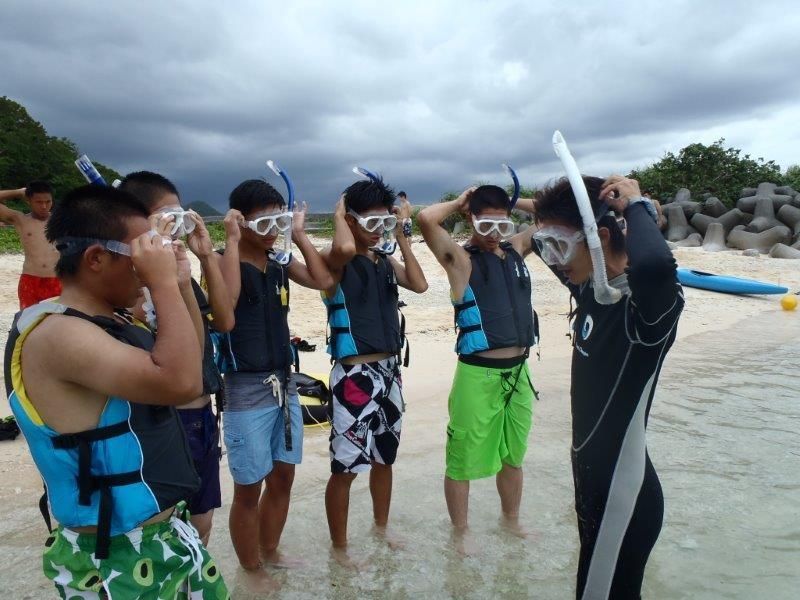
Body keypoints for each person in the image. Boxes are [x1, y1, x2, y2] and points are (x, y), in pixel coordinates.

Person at [3, 184, 228, 598]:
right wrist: (159, 283)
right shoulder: (59, 335)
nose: (147, 266)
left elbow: (192, 361)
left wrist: (178, 285)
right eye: (141, 254)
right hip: (114, 556)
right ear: (96, 259)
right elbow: (181, 384)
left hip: (161, 537)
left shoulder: (114, 321)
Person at [527, 175, 683, 599]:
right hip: (596, 487)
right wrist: (544, 215)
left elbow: (654, 265)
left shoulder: (646, 310)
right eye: (546, 246)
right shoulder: (594, 288)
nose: (552, 259)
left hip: (622, 497)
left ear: (598, 239)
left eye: (558, 246)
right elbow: (553, 244)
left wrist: (636, 205)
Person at [217, 179, 333, 584]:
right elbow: (225, 307)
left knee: (283, 476)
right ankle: (251, 569)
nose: (273, 229)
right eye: (264, 221)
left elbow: (322, 281)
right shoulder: (220, 259)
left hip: (284, 384)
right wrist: (231, 241)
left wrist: (299, 234)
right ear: (240, 221)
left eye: (278, 220)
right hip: (245, 389)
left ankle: (270, 550)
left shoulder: (279, 263)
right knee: (248, 488)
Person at [417, 185, 538, 553]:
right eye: (487, 225)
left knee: (513, 455)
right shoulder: (460, 259)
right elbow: (425, 219)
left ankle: (511, 520)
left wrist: (513, 204)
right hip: (477, 374)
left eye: (503, 226)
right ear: (471, 219)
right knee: (462, 458)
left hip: (519, 373)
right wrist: (458, 202)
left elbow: (552, 216)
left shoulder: (514, 250)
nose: (495, 235)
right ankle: (461, 533)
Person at [119, 171, 234, 546]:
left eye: (179, 217)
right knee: (171, 531)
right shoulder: (133, 286)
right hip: (169, 417)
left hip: (201, 412)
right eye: (166, 219)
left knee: (201, 527)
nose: (176, 227)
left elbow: (224, 320)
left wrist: (204, 257)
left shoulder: (177, 273)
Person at [321, 176, 427, 564]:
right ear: (349, 220)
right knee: (346, 465)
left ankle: (381, 528)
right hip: (354, 377)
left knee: (385, 457)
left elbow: (419, 284)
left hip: (389, 371)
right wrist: (339, 216)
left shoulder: (384, 260)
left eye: (383, 221)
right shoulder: (335, 261)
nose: (377, 230)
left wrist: (400, 235)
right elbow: (345, 246)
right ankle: (340, 547)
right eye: (370, 222)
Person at [0, 182, 62, 309]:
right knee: (28, 323)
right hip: (30, 279)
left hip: (57, 279)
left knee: (56, 323)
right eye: (39, 202)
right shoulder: (20, 220)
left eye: (48, 201)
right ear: (28, 201)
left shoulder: (60, 221)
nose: (44, 206)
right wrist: (19, 192)